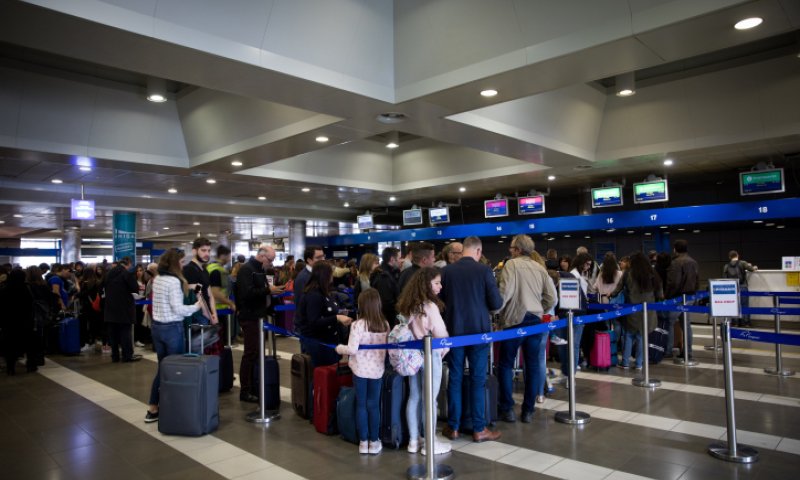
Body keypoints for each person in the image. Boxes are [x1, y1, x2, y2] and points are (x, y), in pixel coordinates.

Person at [440, 236, 503, 443]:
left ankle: (454, 427)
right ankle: (479, 429)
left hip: (454, 332)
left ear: (463, 250)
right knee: (478, 379)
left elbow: (440, 302)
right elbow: (496, 302)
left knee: (455, 379)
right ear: (478, 251)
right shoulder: (484, 271)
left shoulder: (447, 271)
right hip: (479, 332)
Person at [497, 235, 557, 424]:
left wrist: (494, 311)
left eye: (511, 247)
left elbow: (504, 293)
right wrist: (542, 310)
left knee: (505, 364)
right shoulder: (540, 268)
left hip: (515, 320)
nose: (509, 250)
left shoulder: (511, 265)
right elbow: (552, 297)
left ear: (518, 249)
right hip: (535, 321)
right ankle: (528, 411)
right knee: (531, 366)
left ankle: (507, 409)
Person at [395, 267, 452, 455]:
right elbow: (441, 334)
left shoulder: (409, 304)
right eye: (436, 282)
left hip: (413, 356)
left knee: (415, 396)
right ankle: (430, 442)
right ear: (426, 284)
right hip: (430, 355)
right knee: (431, 400)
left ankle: (413, 440)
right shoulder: (431, 307)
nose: (440, 286)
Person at [144, 249, 202, 422]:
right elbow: (179, 309)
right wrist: (196, 306)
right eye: (182, 262)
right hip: (172, 329)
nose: (183, 266)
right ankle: (174, 408)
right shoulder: (174, 281)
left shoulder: (158, 279)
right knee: (176, 369)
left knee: (163, 367)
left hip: (158, 328)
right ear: (176, 263)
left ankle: (154, 407)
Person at [334, 288, 389, 455]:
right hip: (377, 371)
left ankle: (363, 442)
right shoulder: (384, 324)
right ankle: (374, 441)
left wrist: (338, 348)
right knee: (373, 405)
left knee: (361, 405)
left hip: (359, 370)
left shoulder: (357, 325)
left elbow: (351, 349)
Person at [235, 246, 283, 402]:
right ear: (262, 256)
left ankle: (254, 385)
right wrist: (269, 291)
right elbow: (247, 293)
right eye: (270, 260)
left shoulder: (260, 270)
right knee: (250, 353)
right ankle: (245, 390)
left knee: (256, 353)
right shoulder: (246, 270)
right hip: (249, 317)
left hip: (258, 316)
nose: (272, 263)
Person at [611, 252, 663, 369]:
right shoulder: (652, 273)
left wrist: (611, 295)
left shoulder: (628, 273)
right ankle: (639, 363)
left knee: (629, 335)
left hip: (632, 308)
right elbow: (659, 291)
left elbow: (618, 288)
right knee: (641, 336)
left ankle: (625, 362)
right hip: (648, 309)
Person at [297, 262, 352, 367]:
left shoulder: (324, 292)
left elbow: (326, 312)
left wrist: (340, 315)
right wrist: (336, 317)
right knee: (320, 378)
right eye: (331, 273)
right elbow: (313, 322)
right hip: (318, 345)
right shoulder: (314, 295)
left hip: (328, 342)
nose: (333, 276)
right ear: (325, 275)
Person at [555, 252, 592, 382]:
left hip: (577, 313)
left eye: (590, 265)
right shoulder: (574, 274)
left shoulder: (581, 274)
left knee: (574, 345)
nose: (588, 267)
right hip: (572, 312)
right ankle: (568, 372)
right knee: (569, 345)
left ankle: (570, 374)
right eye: (587, 264)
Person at [665, 240, 700, 360]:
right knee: (686, 325)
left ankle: (668, 350)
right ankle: (688, 352)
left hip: (678, 298)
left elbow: (673, 282)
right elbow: (697, 280)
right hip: (690, 296)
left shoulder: (675, 263)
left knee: (669, 322)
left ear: (675, 249)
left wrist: (668, 296)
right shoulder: (694, 262)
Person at [103, 256, 141, 363]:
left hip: (110, 309)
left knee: (113, 334)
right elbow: (134, 289)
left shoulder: (109, 274)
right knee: (125, 333)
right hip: (124, 309)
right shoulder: (127, 274)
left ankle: (114, 356)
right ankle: (127, 355)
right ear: (128, 264)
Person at [183, 237, 218, 327]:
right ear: (194, 251)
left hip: (207, 315)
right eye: (203, 250)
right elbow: (197, 294)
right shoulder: (190, 269)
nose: (207, 254)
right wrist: (209, 315)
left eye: (208, 251)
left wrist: (214, 313)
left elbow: (210, 294)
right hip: (198, 315)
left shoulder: (204, 270)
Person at [207, 245, 236, 340]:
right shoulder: (217, 271)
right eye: (228, 256)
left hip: (213, 309)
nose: (229, 259)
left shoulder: (211, 267)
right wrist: (230, 303)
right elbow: (215, 292)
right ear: (223, 256)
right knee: (220, 340)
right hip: (218, 310)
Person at [724, 250, 758, 327]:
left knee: (733, 305)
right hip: (742, 286)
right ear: (737, 255)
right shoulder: (742, 263)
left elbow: (725, 278)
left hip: (732, 288)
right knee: (745, 305)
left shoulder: (726, 266)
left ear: (729, 257)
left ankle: (735, 323)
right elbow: (752, 269)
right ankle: (746, 323)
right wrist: (754, 267)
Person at [293, 245, 325, 323]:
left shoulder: (317, 274)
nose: (323, 260)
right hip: (307, 325)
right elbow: (301, 306)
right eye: (318, 257)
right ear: (309, 260)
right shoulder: (303, 278)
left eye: (323, 256)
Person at [371, 247, 402, 327]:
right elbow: (386, 303)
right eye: (399, 258)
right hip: (387, 320)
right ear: (392, 259)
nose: (401, 261)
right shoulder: (383, 277)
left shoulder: (390, 273)